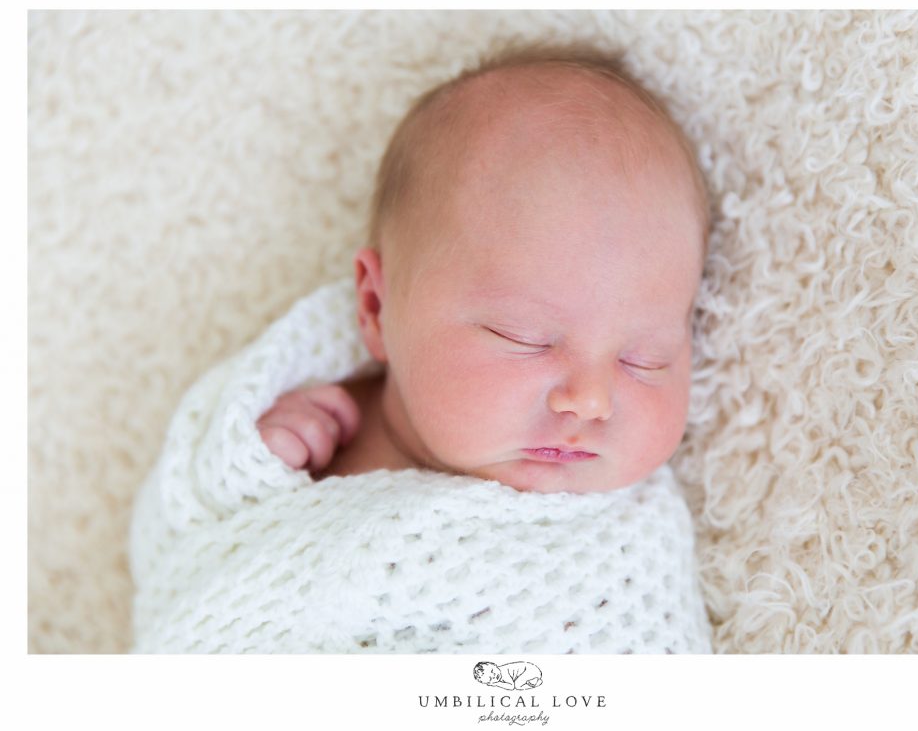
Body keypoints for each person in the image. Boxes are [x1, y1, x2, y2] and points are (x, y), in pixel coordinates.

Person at [256, 43, 709, 494]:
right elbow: (195, 517)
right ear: (377, 307)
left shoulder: (631, 527)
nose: (591, 401)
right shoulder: (315, 415)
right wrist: (256, 455)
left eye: (646, 360)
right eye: (522, 336)